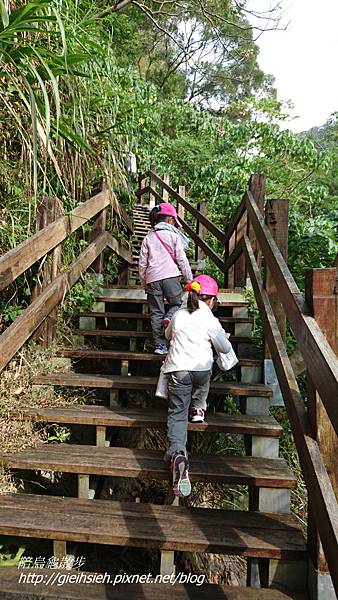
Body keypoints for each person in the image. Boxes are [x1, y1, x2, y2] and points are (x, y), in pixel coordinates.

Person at [162, 275, 232, 497]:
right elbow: (224, 346)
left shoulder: (179, 314)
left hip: (178, 369)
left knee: (177, 413)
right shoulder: (210, 319)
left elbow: (167, 334)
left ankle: (177, 454)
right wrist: (222, 337)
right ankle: (199, 407)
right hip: (201, 371)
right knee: (204, 375)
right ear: (211, 300)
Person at [139, 202, 193, 354]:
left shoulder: (148, 238)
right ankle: (169, 318)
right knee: (177, 303)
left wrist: (145, 283)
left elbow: (142, 264)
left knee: (156, 312)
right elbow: (182, 259)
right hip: (171, 276)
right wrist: (189, 279)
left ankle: (159, 346)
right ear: (170, 219)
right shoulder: (174, 236)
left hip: (152, 279)